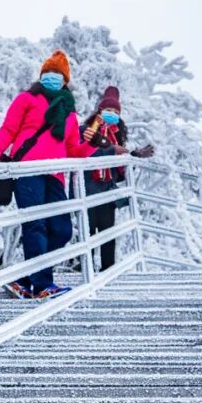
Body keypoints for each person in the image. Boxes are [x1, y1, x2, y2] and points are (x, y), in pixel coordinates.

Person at [0, 50, 122, 300]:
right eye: (48, 73)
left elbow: (73, 151)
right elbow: (9, 128)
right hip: (27, 170)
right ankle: (42, 285)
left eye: (58, 74)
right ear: (41, 75)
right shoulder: (26, 99)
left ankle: (25, 280)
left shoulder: (69, 114)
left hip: (56, 174)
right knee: (36, 226)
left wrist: (96, 143)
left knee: (61, 230)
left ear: (65, 81)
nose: (52, 77)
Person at [79, 86, 154, 271]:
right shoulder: (85, 130)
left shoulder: (117, 136)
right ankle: (82, 270)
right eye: (108, 110)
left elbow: (118, 172)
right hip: (86, 190)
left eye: (115, 111)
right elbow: (84, 153)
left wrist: (132, 156)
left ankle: (108, 271)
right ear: (99, 111)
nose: (111, 114)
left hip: (107, 191)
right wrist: (113, 150)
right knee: (86, 233)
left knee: (107, 234)